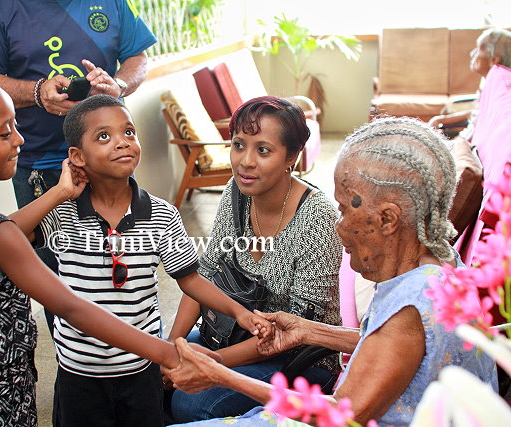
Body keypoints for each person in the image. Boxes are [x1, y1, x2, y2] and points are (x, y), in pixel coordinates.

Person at [0, 69, 199, 426]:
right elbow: (71, 307)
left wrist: (58, 192)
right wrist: (168, 353)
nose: (19, 140)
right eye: (5, 132)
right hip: (3, 398)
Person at [163, 117, 498, 427]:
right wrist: (310, 331)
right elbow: (391, 347)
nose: (338, 226)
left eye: (343, 209)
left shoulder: (410, 307)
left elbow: (342, 415)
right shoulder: (437, 263)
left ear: (388, 219)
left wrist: (220, 375)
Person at [7, 94, 272, 426]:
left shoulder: (161, 214)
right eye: (104, 136)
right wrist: (59, 192)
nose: (122, 142)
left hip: (141, 368)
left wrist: (240, 313)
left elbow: (190, 280)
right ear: (77, 156)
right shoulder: (62, 212)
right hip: (79, 374)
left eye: (129, 132)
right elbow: (2, 237)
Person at [0, 0, 157, 334]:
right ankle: (73, 354)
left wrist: (119, 84)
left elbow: (138, 58)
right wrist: (35, 92)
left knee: (125, 262)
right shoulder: (3, 7)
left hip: (108, 160)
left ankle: (138, 345)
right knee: (55, 276)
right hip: (37, 166)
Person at [165, 96, 342, 422]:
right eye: (238, 145)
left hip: (298, 358)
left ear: (291, 157)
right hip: (233, 332)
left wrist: (211, 363)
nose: (245, 162)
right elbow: (204, 274)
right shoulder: (236, 192)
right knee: (149, 364)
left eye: (263, 150)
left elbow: (294, 333)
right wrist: (172, 348)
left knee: (192, 401)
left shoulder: (317, 218)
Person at [429, 28, 511, 142]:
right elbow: (477, 111)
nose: (472, 53)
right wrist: (442, 119)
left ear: (493, 60)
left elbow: (477, 132)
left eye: (479, 49)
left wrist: (454, 143)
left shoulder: (501, 93)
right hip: (465, 137)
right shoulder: (487, 81)